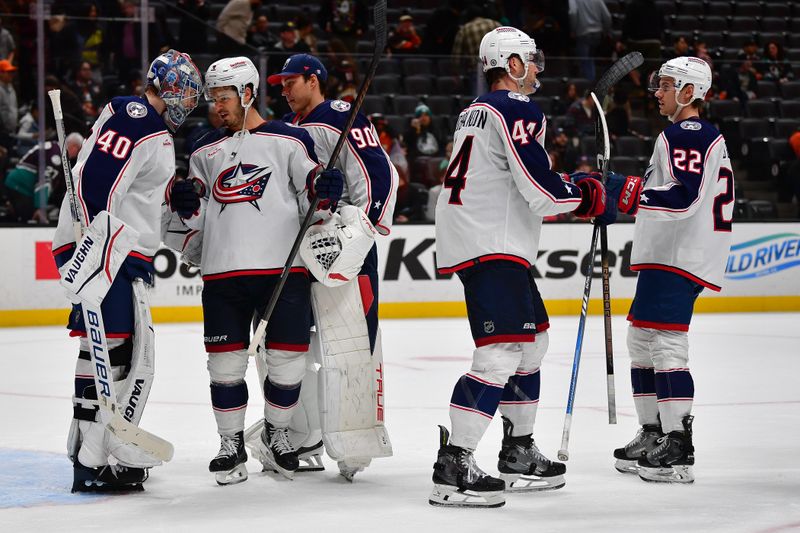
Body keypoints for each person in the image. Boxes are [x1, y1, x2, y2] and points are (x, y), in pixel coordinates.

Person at [430, 26, 621, 508]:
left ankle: (516, 451)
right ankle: (454, 463)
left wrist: (574, 185)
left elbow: (520, 174)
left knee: (532, 342)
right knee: (501, 352)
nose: (536, 68)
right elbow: (540, 192)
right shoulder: (514, 107)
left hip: (487, 239)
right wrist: (589, 194)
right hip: (490, 241)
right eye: (530, 60)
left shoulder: (476, 111)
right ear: (510, 64)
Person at [167, 56, 343, 485]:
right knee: (223, 367)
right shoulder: (205, 149)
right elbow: (199, 217)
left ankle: (279, 434)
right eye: (213, 98)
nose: (217, 106)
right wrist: (187, 209)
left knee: (287, 364)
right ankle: (230, 445)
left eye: (224, 97)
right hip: (223, 274)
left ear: (247, 93)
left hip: (281, 272)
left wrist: (325, 192)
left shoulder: (291, 139)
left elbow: (313, 205)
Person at [51, 49, 203, 492]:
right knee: (120, 353)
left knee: (107, 349)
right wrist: (93, 247)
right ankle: (95, 460)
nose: (189, 104)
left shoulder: (146, 126)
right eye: (188, 94)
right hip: (104, 246)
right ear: (173, 89)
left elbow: (131, 187)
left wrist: (173, 195)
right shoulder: (137, 117)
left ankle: (88, 451)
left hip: (108, 245)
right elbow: (97, 181)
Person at [268, 53, 397, 479]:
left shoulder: (339, 113)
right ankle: (306, 437)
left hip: (346, 247)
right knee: (295, 345)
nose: (284, 90)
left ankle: (356, 439)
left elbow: (380, 175)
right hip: (303, 250)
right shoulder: (290, 130)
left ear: (314, 79)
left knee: (355, 340)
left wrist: (363, 231)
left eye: (290, 81)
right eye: (280, 83)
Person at [611, 57, 734, 484]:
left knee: (665, 344)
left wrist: (626, 193)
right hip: (670, 253)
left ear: (688, 92)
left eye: (665, 85)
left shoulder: (688, 131)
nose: (657, 92)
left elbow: (684, 196)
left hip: (682, 254)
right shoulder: (682, 134)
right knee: (642, 339)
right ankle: (653, 433)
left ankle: (678, 445)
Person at [4, 132, 83, 224]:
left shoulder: (53, 148)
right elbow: (44, 181)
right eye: (78, 151)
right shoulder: (56, 156)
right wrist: (40, 208)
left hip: (16, 183)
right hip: (21, 187)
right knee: (29, 220)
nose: (76, 156)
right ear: (74, 147)